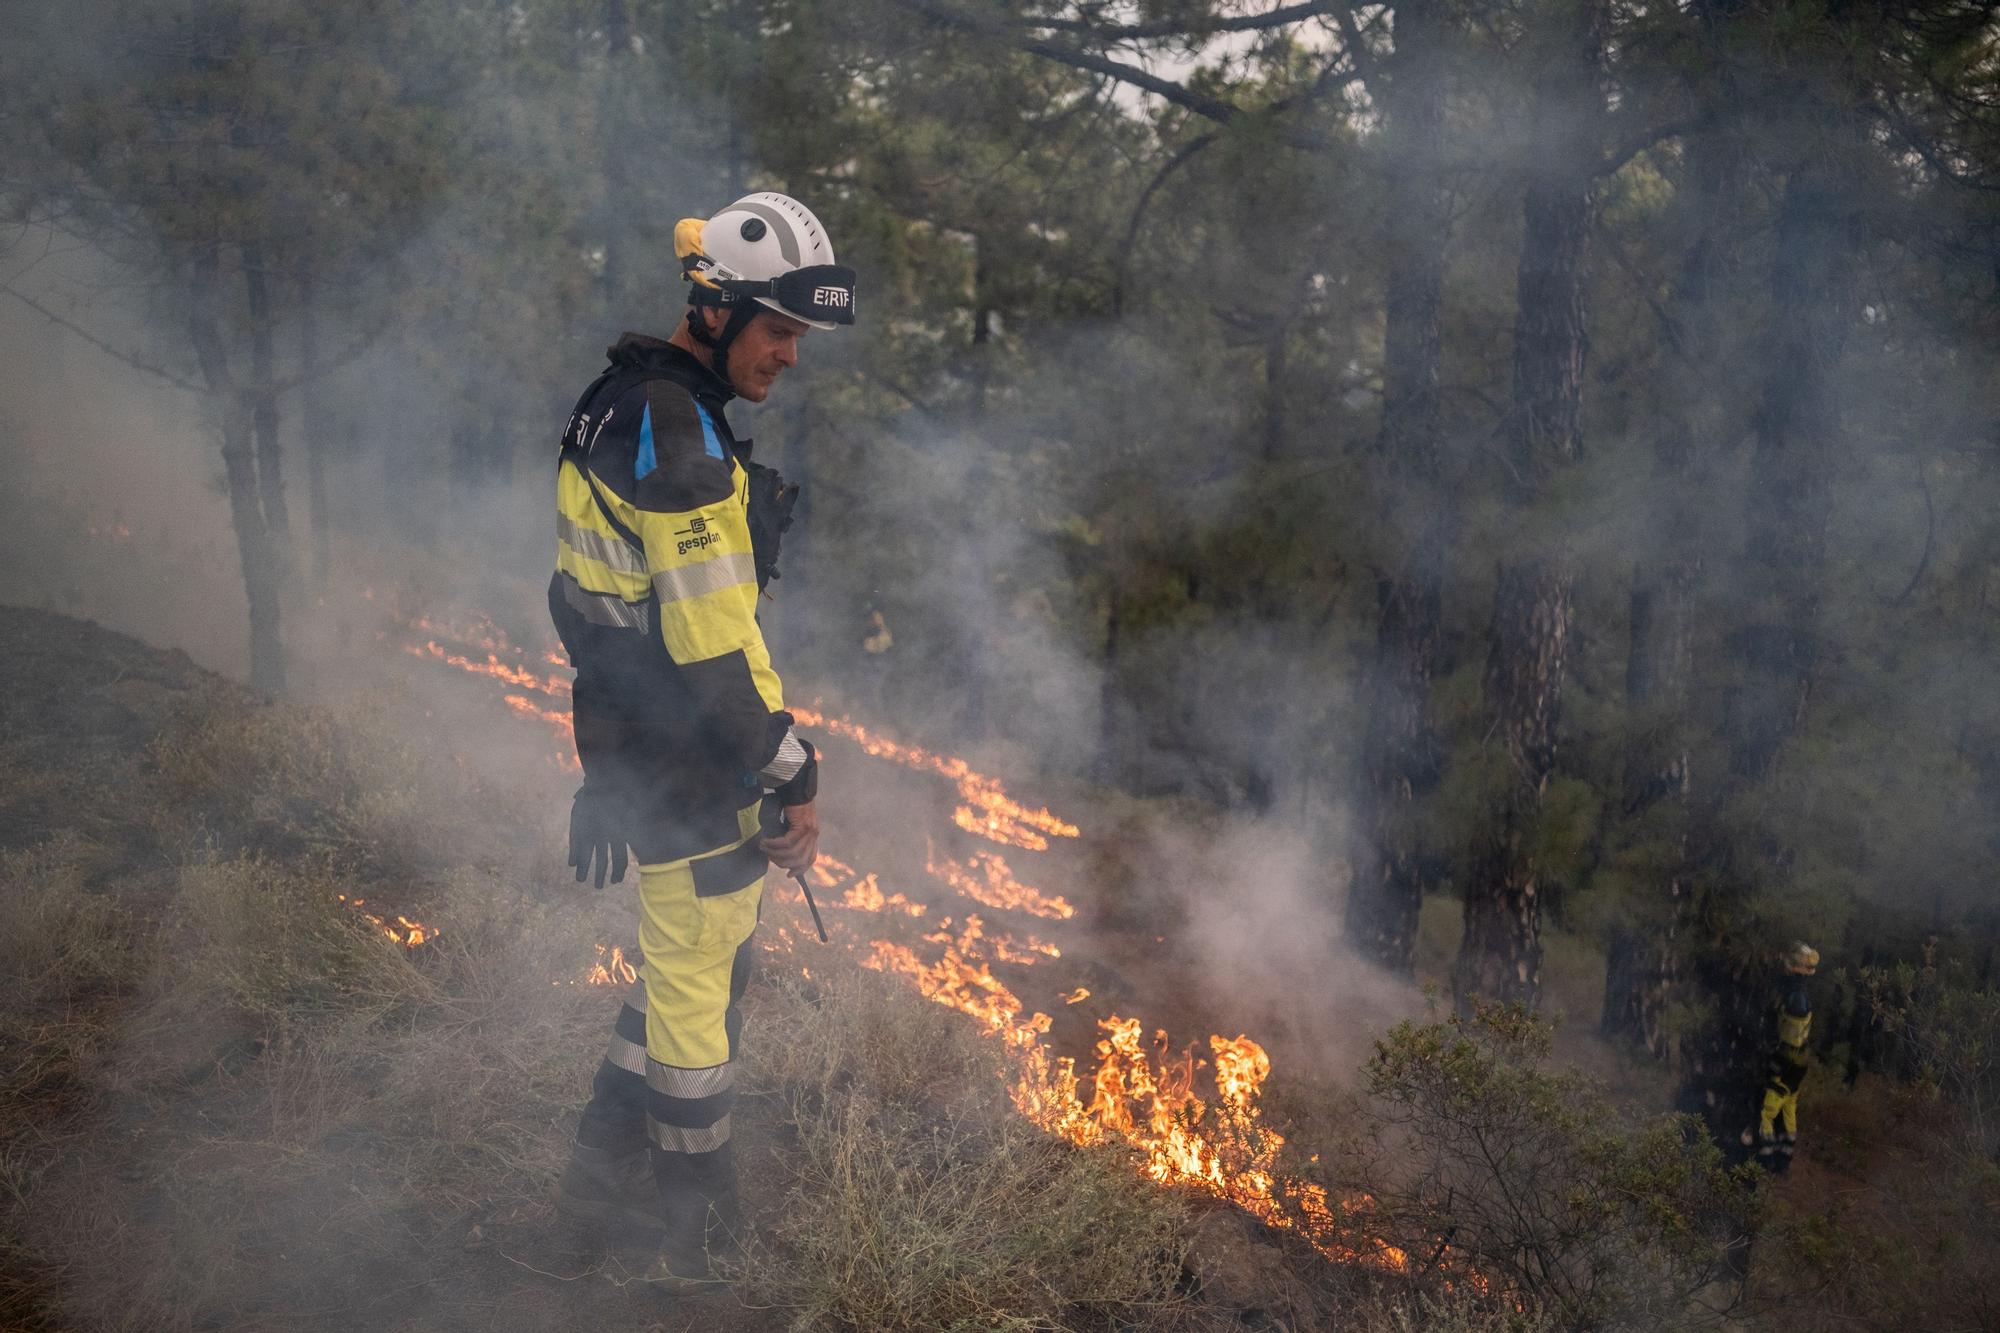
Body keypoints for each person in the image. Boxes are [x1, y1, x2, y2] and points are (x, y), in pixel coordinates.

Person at [545, 191, 856, 1281]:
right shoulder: (673, 432)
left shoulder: (623, 399)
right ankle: (697, 1238)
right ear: (714, 309)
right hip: (686, 756)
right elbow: (709, 648)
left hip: (646, 749)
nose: (790, 355)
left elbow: (585, 603)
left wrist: (606, 771)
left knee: (698, 968)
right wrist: (790, 768)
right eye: (777, 330)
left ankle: (594, 1175)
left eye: (798, 336)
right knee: (693, 996)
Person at [1756, 940, 1819, 1176]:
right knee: (1789, 1110)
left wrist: (1775, 1066)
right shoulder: (1800, 994)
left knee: (1767, 1111)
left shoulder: (1795, 999)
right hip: (1798, 1065)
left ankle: (1765, 1161)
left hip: (1787, 1064)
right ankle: (1784, 1160)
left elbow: (1791, 1038)